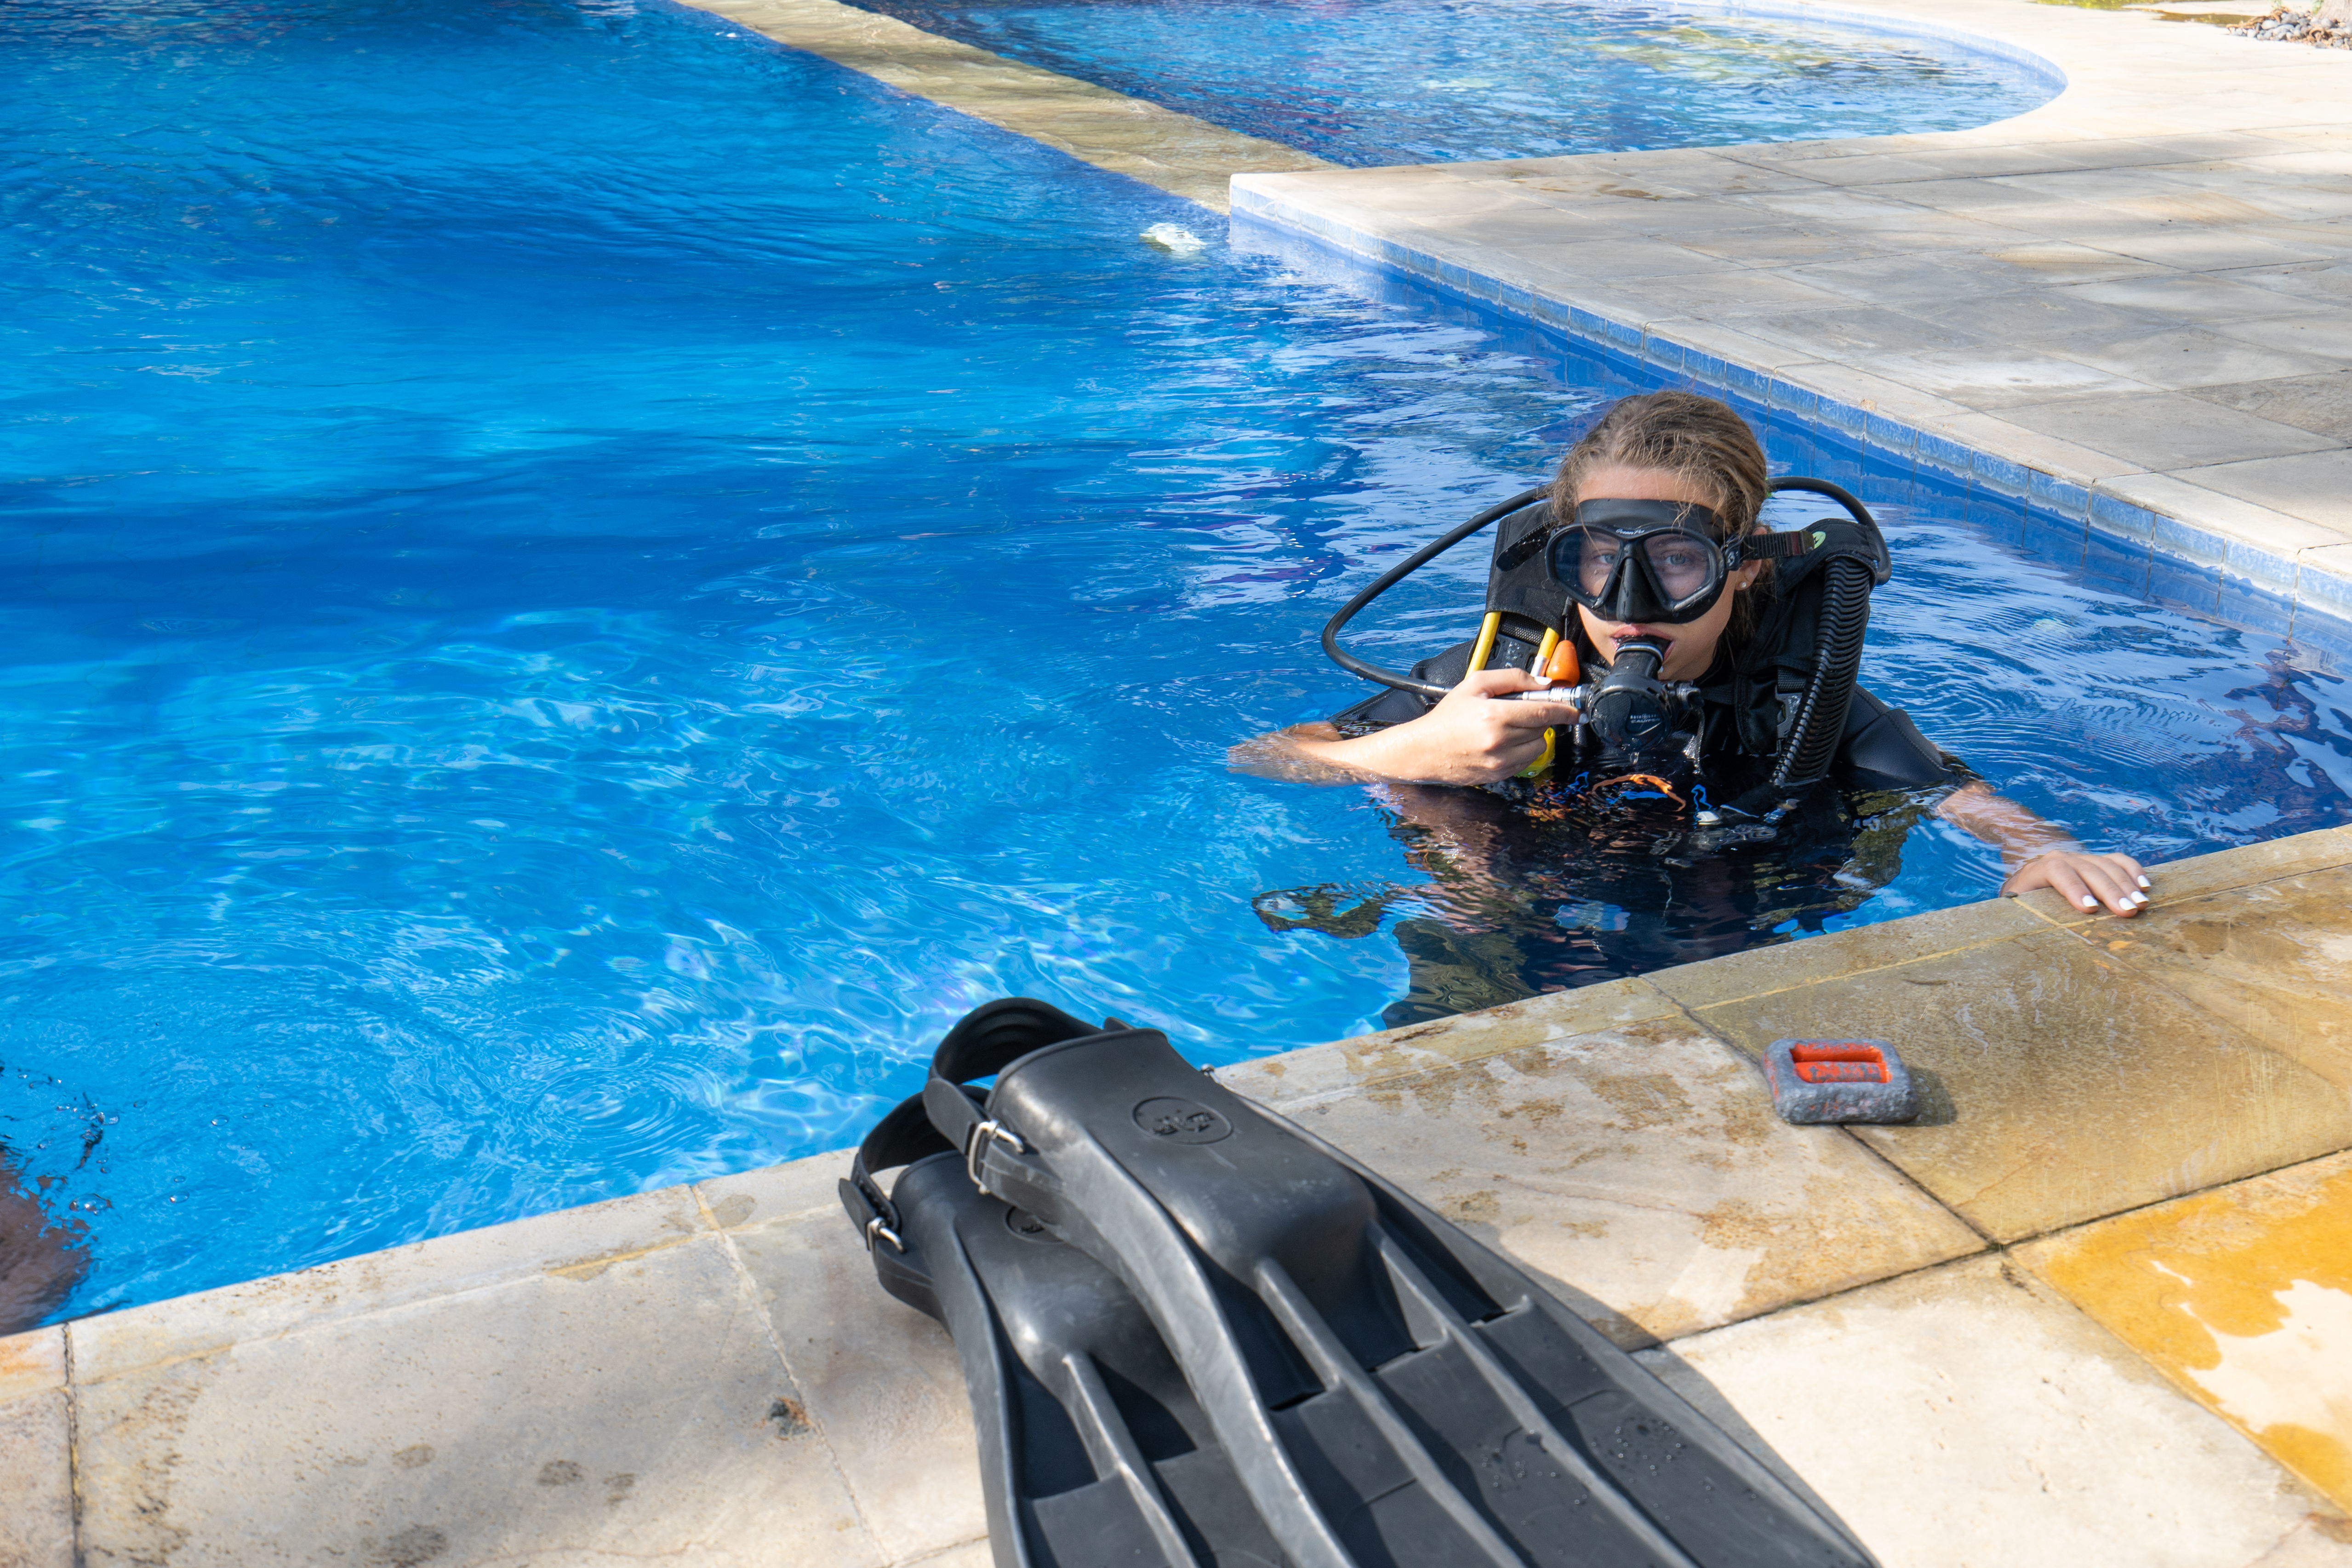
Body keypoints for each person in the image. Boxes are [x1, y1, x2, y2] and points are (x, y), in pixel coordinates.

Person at [1235, 393, 2148, 1020]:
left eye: (1674, 560)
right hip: (1504, 922)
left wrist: (2044, 849)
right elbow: (1264, 753)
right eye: (1598, 559)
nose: (1627, 599)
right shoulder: (1490, 679)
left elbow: (1949, 790)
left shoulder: (1794, 699)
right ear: (1563, 557)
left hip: (1724, 924)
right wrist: (1412, 752)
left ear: (1744, 561)